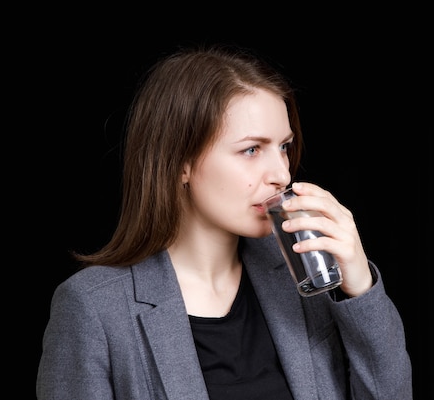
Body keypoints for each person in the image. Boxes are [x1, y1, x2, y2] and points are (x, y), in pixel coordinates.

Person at [36, 43, 413, 400]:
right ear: (180, 162)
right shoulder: (94, 307)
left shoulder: (302, 279)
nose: (281, 173)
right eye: (251, 149)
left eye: (283, 147)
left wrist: (360, 288)